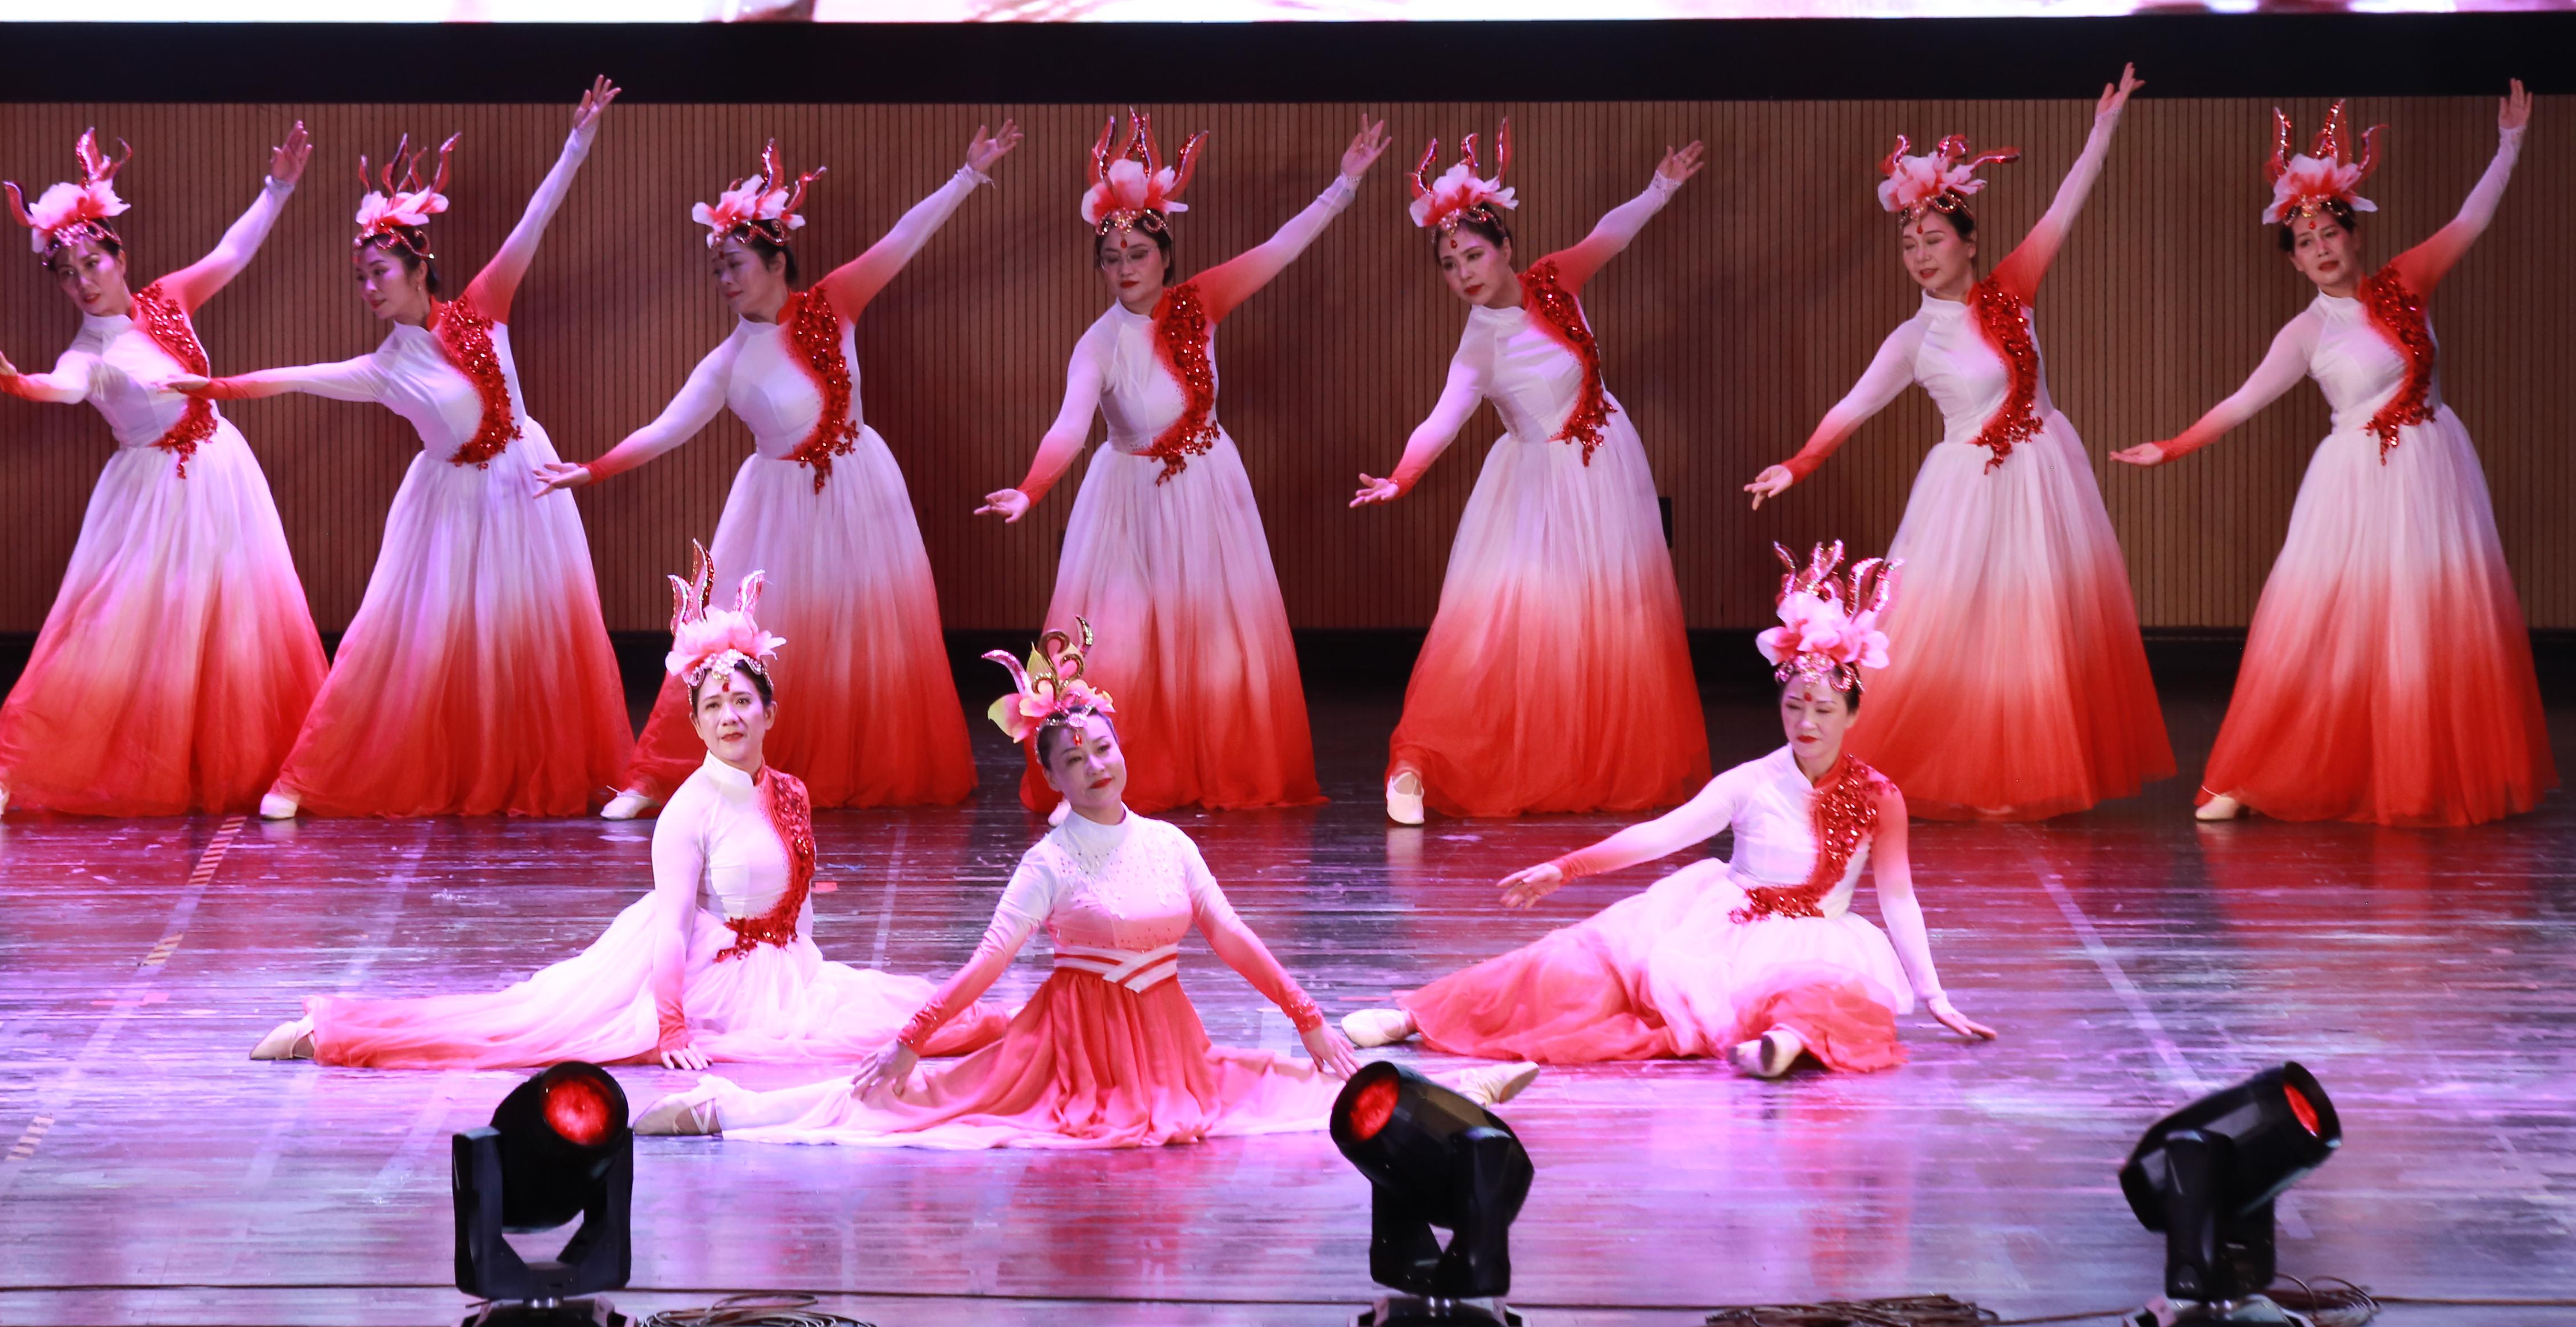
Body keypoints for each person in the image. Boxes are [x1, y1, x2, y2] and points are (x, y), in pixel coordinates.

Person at [634, 631, 1535, 1145]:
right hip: (1071, 1044)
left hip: (1165, 1039)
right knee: (921, 1102)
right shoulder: (1050, 863)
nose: (1097, 766)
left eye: (1104, 748)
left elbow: (1230, 935)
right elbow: (987, 967)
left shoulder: (1170, 843)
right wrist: (910, 1041)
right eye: (1076, 759)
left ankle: (1448, 1094)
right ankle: (724, 1112)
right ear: (1054, 778)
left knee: (1268, 1083)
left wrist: (1306, 1016)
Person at [255, 549, 1005, 1069]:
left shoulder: (791, 791)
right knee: (527, 1029)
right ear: (698, 724)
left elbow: (800, 904)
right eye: (714, 707)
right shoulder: (689, 810)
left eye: (744, 702)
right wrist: (671, 1024)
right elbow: (674, 926)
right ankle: (329, 1032)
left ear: (770, 713)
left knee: (924, 1023)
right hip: (704, 969)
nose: (731, 717)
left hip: (786, 971)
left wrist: (807, 975)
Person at [1344, 543, 1995, 1080]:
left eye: (1824, 710)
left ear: (1852, 714)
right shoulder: (1751, 782)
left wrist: (1934, 994)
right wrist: (1566, 869)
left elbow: (1899, 899)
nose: (1807, 722)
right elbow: (1661, 834)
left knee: (1831, 995)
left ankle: (1783, 1043)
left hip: (1819, 937)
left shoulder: (1880, 795)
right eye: (1795, 705)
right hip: (1720, 922)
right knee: (1570, 964)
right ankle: (1415, 1018)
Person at [164, 84, 629, 818]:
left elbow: (536, 218)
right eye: (360, 278)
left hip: (524, 487)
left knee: (531, 635)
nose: (368, 288)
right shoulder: (383, 368)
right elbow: (292, 378)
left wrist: (579, 140)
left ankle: (527, 768)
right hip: (449, 505)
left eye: (378, 273)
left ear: (418, 268)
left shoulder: (485, 305)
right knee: (413, 643)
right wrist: (214, 385)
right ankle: (313, 777)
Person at [541, 122, 1022, 814]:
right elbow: (666, 429)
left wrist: (967, 176)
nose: (724, 280)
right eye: (717, 269)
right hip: (778, 507)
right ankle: (658, 777)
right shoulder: (728, 362)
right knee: (733, 638)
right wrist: (592, 470)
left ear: (775, 262)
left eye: (735, 265)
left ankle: (863, 762)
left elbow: (902, 240)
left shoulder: (833, 303)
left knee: (865, 635)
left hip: (862, 488)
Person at [2114, 85, 2551, 826]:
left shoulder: (2408, 280)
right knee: (2322, 627)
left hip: (2433, 471)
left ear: (2354, 236)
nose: (2321, 248)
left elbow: (2471, 219)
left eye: (2330, 233)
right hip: (2354, 482)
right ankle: (2248, 773)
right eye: (2305, 241)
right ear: (2293, 260)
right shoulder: (2306, 334)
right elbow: (2243, 402)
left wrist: (2510, 144)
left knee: (2428, 622)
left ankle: (2422, 769)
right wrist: (2174, 447)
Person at [1745, 67, 2169, 820]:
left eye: (1934, 240)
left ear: (1969, 244)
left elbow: (2066, 206)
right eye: (1910, 243)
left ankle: (2020, 775)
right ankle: (1895, 769)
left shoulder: (2013, 291)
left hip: (2043, 477)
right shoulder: (1913, 338)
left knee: (2035, 626)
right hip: (1965, 488)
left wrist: (2104, 127)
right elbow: (1853, 406)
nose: (1920, 253)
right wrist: (1798, 463)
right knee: (1951, 631)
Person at [979, 113, 1391, 814]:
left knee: (1219, 642)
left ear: (1164, 257)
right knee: (1122, 643)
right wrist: (1030, 489)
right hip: (1128, 500)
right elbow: (1070, 427)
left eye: (1138, 253)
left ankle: (1219, 763)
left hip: (1207, 488)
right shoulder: (1098, 344)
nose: (1125, 268)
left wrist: (1343, 186)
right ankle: (1119, 774)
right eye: (1112, 257)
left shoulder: (1200, 303)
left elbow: (1279, 248)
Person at [0, 125, 326, 822]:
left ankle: (276, 769)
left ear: (118, 257)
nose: (81, 282)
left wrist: (277, 187)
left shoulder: (167, 298)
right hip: (150, 498)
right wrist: (20, 384)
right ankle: (9, 773)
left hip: (222, 475)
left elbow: (233, 251)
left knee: (240, 626)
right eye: (66, 274)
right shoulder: (86, 353)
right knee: (102, 635)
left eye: (91, 264)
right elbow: (63, 387)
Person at [1353, 126, 1709, 823]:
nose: (1464, 274)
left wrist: (1660, 186)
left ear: (1505, 248)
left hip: (1608, 470)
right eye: (1450, 265)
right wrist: (1403, 475)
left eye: (1473, 255)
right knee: (1507, 630)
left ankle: (1591, 759)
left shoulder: (1554, 281)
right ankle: (1420, 762)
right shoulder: (1478, 347)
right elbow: (1442, 419)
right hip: (1540, 488)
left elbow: (1611, 234)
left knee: (1609, 623)